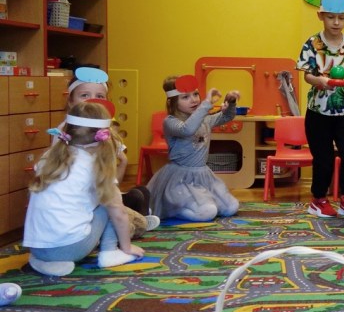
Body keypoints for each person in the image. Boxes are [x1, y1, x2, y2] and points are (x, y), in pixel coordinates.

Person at [23, 102, 144, 277]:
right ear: (104, 137)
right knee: (110, 204)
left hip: (36, 247)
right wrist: (127, 246)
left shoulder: (49, 159)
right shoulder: (94, 166)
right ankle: (110, 252)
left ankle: (45, 261)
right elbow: (118, 214)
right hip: (71, 248)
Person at [297, 0, 344, 218]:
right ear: (321, 16)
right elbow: (307, 75)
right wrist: (319, 81)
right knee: (324, 158)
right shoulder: (312, 43)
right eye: (331, 17)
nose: (336, 22)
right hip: (318, 112)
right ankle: (318, 200)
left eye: (341, 18)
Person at [56, 66, 157, 232]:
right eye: (84, 95)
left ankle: (135, 221)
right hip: (80, 203)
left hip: (103, 194)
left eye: (100, 96)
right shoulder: (65, 132)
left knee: (140, 192)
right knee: (117, 211)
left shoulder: (106, 132)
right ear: (70, 101)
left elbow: (112, 183)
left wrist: (122, 163)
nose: (92, 100)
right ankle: (134, 224)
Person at [147, 75, 241, 221]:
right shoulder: (170, 122)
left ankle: (198, 205)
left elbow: (226, 117)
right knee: (208, 212)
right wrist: (206, 104)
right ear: (173, 102)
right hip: (180, 180)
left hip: (202, 176)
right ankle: (174, 209)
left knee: (231, 207)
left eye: (195, 94)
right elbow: (187, 129)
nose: (194, 100)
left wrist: (231, 101)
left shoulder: (204, 119)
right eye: (185, 97)